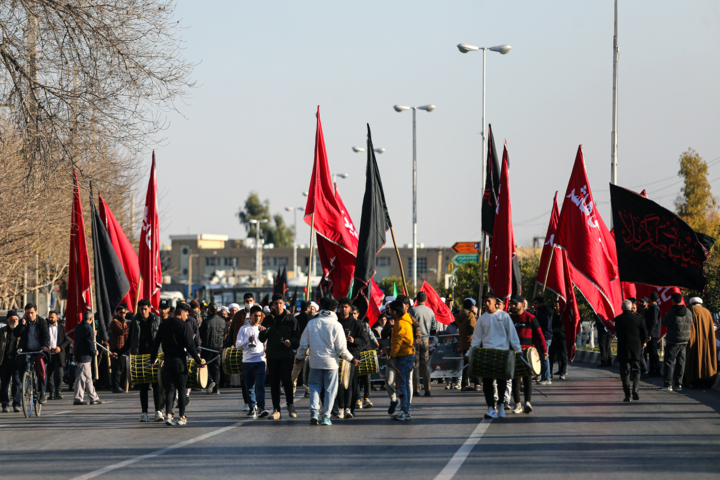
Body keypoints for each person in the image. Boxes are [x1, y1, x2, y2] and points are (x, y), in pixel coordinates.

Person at [296, 299, 360, 426]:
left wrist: (299, 357)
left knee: (314, 388)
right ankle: (326, 417)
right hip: (331, 364)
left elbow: (303, 344)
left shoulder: (312, 323)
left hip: (315, 362)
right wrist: (352, 359)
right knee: (330, 390)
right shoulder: (337, 325)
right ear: (334, 309)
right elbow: (342, 349)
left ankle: (314, 413)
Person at [151, 302, 205, 426]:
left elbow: (156, 343)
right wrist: (199, 361)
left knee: (170, 389)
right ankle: (182, 416)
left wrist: (152, 360)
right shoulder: (184, 325)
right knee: (181, 388)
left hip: (167, 361)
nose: (187, 316)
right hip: (180, 360)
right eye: (186, 313)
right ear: (181, 312)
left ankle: (168, 415)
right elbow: (190, 346)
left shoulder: (164, 324)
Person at [472, 294, 522, 419]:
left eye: (489, 301)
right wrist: (470, 353)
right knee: (487, 382)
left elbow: (512, 334)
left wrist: (518, 349)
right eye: (485, 302)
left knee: (502, 381)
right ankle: (490, 408)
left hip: (502, 353)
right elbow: (476, 339)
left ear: (495, 302)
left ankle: (501, 405)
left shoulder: (504, 316)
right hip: (487, 354)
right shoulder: (482, 319)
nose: (487, 304)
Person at [116, 299, 165, 422]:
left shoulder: (157, 320)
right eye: (141, 309)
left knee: (157, 385)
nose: (143, 311)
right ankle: (144, 412)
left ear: (149, 308)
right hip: (140, 357)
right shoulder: (135, 321)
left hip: (155, 356)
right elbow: (129, 341)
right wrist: (119, 352)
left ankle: (158, 411)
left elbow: (163, 339)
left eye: (145, 309)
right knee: (143, 386)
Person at [259, 293, 301, 419]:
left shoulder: (291, 320)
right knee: (274, 383)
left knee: (287, 380)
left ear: (284, 304)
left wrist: (291, 342)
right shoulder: (267, 319)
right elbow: (262, 339)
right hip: (272, 355)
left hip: (286, 355)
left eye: (280, 303)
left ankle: (290, 404)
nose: (278, 306)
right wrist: (261, 332)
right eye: (275, 303)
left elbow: (298, 338)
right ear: (272, 305)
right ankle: (276, 409)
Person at [509, 295, 547, 414]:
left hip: (527, 354)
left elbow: (539, 335)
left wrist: (544, 350)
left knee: (527, 378)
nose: (513, 306)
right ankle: (517, 404)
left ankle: (528, 403)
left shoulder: (530, 318)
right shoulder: (508, 319)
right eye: (511, 304)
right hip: (513, 353)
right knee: (515, 378)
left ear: (522, 304)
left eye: (515, 304)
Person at [332, 297, 368, 419]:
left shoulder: (356, 324)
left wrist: (354, 340)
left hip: (352, 358)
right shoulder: (335, 322)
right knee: (339, 384)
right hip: (336, 358)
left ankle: (349, 408)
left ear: (350, 308)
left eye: (346, 307)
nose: (343, 309)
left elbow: (364, 341)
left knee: (350, 384)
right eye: (341, 306)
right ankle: (340, 408)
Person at [236, 305, 269, 418]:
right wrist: (247, 341)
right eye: (255, 315)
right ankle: (252, 407)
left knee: (260, 385)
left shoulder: (263, 329)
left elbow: (267, 345)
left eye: (259, 316)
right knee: (249, 386)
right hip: (247, 362)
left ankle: (261, 407)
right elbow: (237, 345)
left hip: (259, 360)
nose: (257, 318)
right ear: (251, 315)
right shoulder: (244, 329)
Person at [15, 303, 50, 404]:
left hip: (40, 350)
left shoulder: (42, 322)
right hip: (27, 349)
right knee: (21, 360)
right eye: (27, 313)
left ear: (36, 312)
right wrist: (22, 323)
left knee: (41, 367)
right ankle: (24, 384)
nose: (30, 315)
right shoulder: (24, 322)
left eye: (31, 313)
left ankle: (43, 393)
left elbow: (46, 336)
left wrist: (45, 346)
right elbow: (16, 333)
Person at [615, 299, 648, 402]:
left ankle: (627, 395)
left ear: (622, 308)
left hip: (623, 350)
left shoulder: (618, 319)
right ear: (631, 307)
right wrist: (643, 341)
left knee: (625, 373)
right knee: (636, 370)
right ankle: (636, 389)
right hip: (636, 349)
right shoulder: (639, 319)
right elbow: (644, 334)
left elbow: (618, 333)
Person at [387, 300, 415, 421]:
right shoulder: (403, 322)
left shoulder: (400, 324)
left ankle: (405, 411)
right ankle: (405, 410)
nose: (389, 313)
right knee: (404, 385)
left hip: (403, 358)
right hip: (406, 357)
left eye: (390, 310)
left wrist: (391, 356)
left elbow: (398, 342)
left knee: (402, 386)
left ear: (394, 312)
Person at [661, 293, 692, 392]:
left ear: (673, 300)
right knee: (681, 362)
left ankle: (668, 384)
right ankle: (679, 384)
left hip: (673, 340)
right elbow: (691, 323)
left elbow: (665, 323)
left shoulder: (672, 311)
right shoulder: (688, 311)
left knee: (669, 362)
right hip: (684, 340)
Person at [684, 297, 718, 388]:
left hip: (693, 341)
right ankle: (706, 380)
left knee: (693, 358)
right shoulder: (707, 312)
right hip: (706, 341)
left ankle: (692, 380)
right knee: (705, 359)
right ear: (700, 303)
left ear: (691, 303)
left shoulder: (690, 310)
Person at [409, 292, 437, 397]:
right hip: (426, 339)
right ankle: (427, 389)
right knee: (425, 365)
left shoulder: (412, 311)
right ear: (425, 299)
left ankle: (416, 390)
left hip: (415, 340)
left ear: (416, 299)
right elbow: (434, 326)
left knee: (415, 365)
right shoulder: (430, 311)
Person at [73, 311, 104, 405]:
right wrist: (94, 352)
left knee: (88, 378)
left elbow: (83, 338)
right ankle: (78, 398)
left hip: (80, 355)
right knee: (81, 378)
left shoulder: (79, 327)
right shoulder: (88, 328)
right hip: (84, 356)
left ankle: (93, 397)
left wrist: (91, 334)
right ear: (91, 318)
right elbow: (89, 343)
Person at [356, 307, 380, 409]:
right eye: (351, 313)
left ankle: (366, 398)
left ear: (358, 314)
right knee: (355, 378)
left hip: (366, 354)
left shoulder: (365, 325)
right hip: (355, 355)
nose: (353, 315)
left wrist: (379, 347)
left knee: (367, 378)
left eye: (355, 313)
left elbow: (372, 337)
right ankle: (357, 400)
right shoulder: (349, 325)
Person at [199, 303, 225, 394]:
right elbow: (225, 333)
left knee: (206, 366)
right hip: (218, 348)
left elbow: (200, 334)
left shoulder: (206, 321)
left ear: (209, 310)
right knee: (216, 368)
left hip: (207, 347)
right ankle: (217, 388)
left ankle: (210, 381)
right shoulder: (222, 321)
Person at [0, 311, 23, 412]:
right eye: (12, 320)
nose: (14, 321)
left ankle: (16, 403)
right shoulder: (2, 331)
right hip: (4, 360)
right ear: (8, 320)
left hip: (17, 360)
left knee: (17, 382)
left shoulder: (21, 330)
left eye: (16, 319)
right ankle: (5, 404)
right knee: (4, 383)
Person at [46, 310, 71, 400]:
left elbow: (68, 339)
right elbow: (41, 338)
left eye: (52, 317)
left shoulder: (62, 328)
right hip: (48, 354)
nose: (50, 319)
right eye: (49, 317)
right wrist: (46, 346)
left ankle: (58, 392)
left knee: (59, 374)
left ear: (57, 318)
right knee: (49, 374)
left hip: (59, 354)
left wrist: (60, 347)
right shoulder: (45, 327)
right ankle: (51, 392)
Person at [291, 301, 314, 397]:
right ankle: (308, 389)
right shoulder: (312, 319)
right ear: (308, 308)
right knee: (309, 369)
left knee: (296, 369)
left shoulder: (295, 319)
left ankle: (292, 389)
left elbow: (293, 334)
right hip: (310, 347)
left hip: (298, 347)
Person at [455, 299, 478, 391]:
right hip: (471, 341)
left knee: (466, 363)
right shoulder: (470, 315)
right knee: (474, 362)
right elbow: (474, 329)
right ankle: (477, 383)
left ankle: (464, 383)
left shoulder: (459, 315)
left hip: (463, 341)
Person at [110, 304, 129, 394]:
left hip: (123, 348)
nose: (123, 314)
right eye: (121, 312)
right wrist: (130, 327)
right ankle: (115, 386)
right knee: (117, 369)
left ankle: (122, 385)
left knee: (123, 368)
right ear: (117, 313)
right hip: (117, 348)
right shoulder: (115, 322)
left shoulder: (124, 322)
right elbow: (121, 331)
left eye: (124, 313)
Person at [532, 297, 552, 384]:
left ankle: (546, 378)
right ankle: (541, 374)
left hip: (545, 337)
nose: (534, 305)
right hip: (542, 337)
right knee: (540, 357)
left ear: (541, 304)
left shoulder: (542, 314)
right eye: (533, 303)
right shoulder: (539, 312)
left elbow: (536, 324)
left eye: (536, 303)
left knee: (544, 357)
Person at [548, 301, 568, 380]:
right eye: (554, 306)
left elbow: (563, 327)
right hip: (553, 338)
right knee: (551, 356)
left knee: (563, 356)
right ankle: (549, 372)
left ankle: (562, 372)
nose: (555, 308)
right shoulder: (551, 316)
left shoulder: (564, 316)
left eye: (557, 306)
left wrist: (554, 330)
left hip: (562, 338)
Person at [644, 292, 662, 376]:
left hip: (653, 335)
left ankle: (657, 370)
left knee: (654, 353)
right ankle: (652, 370)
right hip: (652, 333)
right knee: (651, 353)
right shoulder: (652, 308)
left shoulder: (654, 308)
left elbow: (654, 322)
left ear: (650, 299)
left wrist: (650, 333)